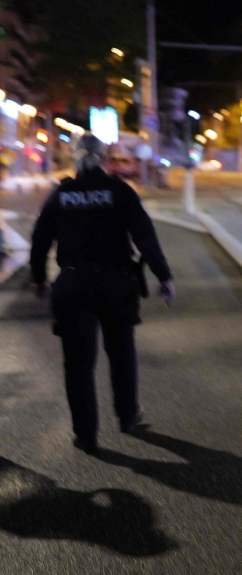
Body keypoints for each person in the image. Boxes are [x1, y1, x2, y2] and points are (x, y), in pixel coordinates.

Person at [30, 133, 175, 454]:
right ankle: (127, 416)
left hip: (72, 286)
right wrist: (163, 276)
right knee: (122, 355)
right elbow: (145, 237)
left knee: (78, 364)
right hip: (115, 285)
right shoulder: (119, 192)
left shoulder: (61, 194)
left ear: (74, 158)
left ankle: (85, 434)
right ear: (104, 158)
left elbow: (40, 240)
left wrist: (39, 280)